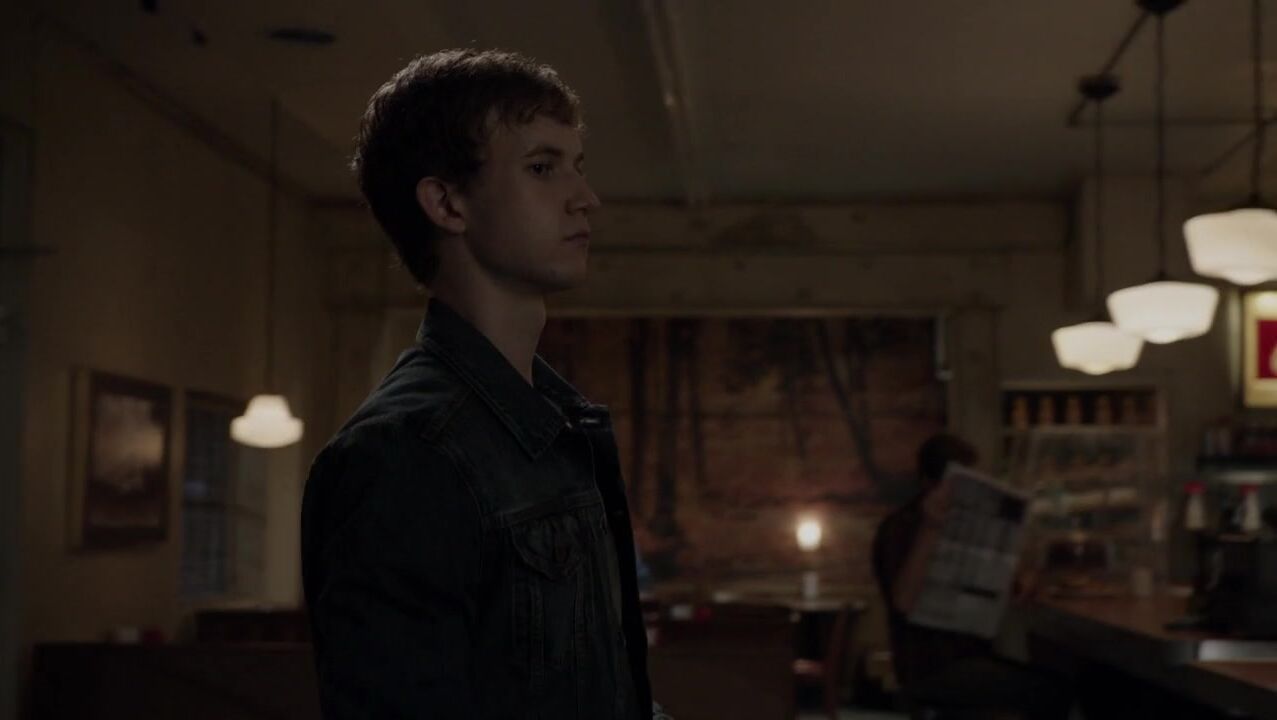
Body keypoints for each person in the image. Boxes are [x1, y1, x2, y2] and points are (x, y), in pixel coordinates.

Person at [301, 49, 667, 719]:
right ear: (447, 202)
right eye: (542, 167)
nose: (586, 197)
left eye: (577, 165)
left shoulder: (556, 422)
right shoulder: (403, 455)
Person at [871, 433, 1071, 720]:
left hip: (972, 657)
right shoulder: (902, 526)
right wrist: (930, 528)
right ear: (929, 484)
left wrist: (1021, 578)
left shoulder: (970, 525)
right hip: (930, 668)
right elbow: (903, 602)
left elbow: (1005, 587)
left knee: (1058, 681)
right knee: (1051, 691)